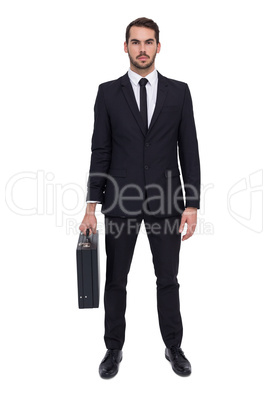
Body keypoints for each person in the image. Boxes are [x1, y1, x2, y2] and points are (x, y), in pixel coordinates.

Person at [79, 17, 201, 379]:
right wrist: (90, 207)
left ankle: (174, 347)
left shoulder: (178, 92)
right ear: (126, 46)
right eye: (136, 42)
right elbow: (99, 150)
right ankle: (113, 349)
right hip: (120, 201)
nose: (143, 49)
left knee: (168, 279)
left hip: (167, 203)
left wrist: (191, 204)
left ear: (158, 47)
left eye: (149, 42)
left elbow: (189, 150)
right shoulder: (107, 92)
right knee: (116, 279)